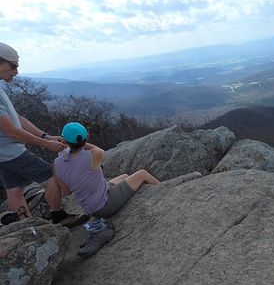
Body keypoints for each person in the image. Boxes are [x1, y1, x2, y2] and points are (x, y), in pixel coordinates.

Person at [52, 122, 159, 257]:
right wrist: (82, 143)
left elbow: (67, 191)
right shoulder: (93, 154)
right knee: (142, 174)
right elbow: (101, 152)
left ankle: (96, 225)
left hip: (89, 207)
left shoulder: (57, 165)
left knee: (125, 176)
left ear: (64, 140)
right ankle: (166, 190)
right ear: (86, 139)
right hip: (104, 205)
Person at [0, 41, 78, 223]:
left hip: (3, 153)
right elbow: (11, 130)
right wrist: (47, 144)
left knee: (15, 190)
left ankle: (28, 228)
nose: (16, 71)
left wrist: (45, 136)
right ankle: (59, 216)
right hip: (11, 152)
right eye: (13, 65)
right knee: (52, 177)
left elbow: (17, 118)